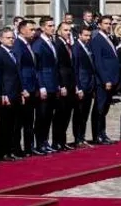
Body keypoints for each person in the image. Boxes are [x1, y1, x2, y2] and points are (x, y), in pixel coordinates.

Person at [89, 15, 121, 144]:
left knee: (105, 108)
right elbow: (98, 62)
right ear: (100, 25)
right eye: (106, 23)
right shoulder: (97, 40)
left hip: (112, 79)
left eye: (110, 23)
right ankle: (96, 135)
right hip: (103, 80)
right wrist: (105, 79)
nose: (109, 26)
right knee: (99, 108)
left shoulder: (109, 38)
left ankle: (103, 133)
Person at [0, 27, 24, 160]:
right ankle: (3, 151)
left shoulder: (13, 53)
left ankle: (12, 149)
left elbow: (17, 74)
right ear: (1, 39)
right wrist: (3, 93)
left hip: (16, 92)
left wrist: (21, 90)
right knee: (4, 124)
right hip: (6, 94)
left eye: (12, 38)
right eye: (8, 38)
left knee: (14, 123)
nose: (11, 40)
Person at [33, 16, 60, 154]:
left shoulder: (51, 42)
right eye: (49, 26)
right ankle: (39, 143)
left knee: (49, 115)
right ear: (42, 28)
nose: (52, 28)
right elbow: (37, 67)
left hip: (53, 84)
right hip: (44, 84)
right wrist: (41, 86)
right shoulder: (38, 44)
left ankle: (45, 141)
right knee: (42, 116)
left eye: (53, 25)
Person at [14, 20, 40, 155]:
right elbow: (18, 68)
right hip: (24, 88)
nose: (33, 32)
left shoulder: (28, 44)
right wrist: (22, 88)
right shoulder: (18, 45)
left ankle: (29, 147)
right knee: (21, 121)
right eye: (31, 29)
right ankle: (18, 149)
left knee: (30, 120)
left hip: (32, 87)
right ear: (22, 30)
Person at [52, 20, 76, 149]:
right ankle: (57, 141)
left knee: (67, 113)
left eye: (69, 30)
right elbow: (59, 66)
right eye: (65, 30)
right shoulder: (58, 44)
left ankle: (62, 141)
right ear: (59, 31)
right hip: (63, 83)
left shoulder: (67, 44)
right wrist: (61, 85)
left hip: (71, 82)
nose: (68, 33)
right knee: (60, 115)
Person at [72, 24, 96, 147]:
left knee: (85, 113)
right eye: (85, 35)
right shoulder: (76, 48)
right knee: (79, 113)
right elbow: (75, 69)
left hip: (89, 85)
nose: (88, 38)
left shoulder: (88, 47)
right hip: (82, 84)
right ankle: (77, 138)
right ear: (79, 35)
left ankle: (82, 136)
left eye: (89, 36)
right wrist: (78, 87)